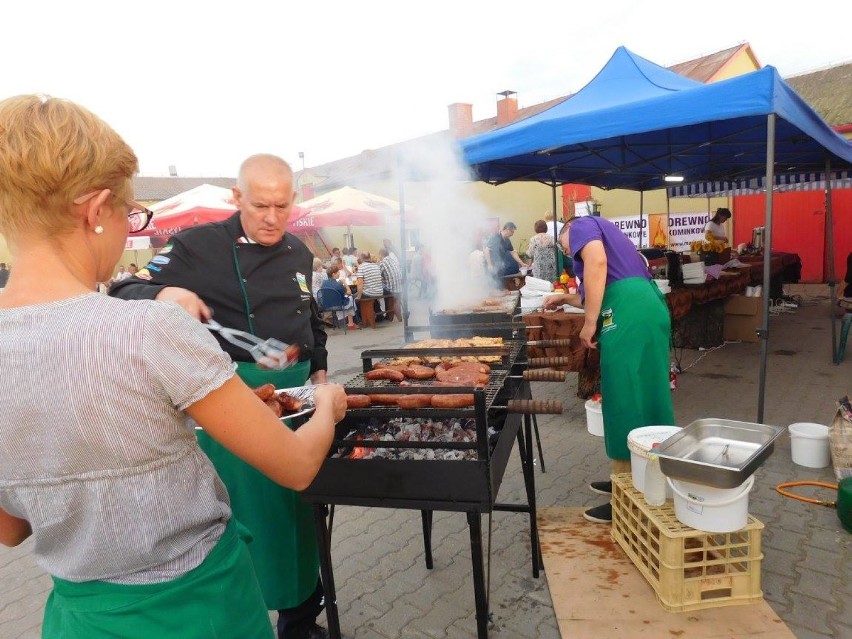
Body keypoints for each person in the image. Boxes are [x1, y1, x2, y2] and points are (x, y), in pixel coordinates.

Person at [0, 95, 347, 639]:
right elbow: (298, 467)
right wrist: (326, 403)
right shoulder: (149, 328)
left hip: (80, 618)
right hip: (200, 610)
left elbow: (11, 527)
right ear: (96, 211)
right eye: (130, 213)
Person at [111, 154, 337, 639]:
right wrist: (161, 296)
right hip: (236, 398)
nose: (273, 217)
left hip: (298, 397)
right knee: (250, 515)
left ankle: (301, 621)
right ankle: (247, 618)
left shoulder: (299, 251)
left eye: (282, 205)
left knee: (300, 512)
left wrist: (318, 366)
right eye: (261, 206)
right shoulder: (196, 246)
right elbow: (124, 290)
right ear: (236, 198)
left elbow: (309, 314)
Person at [544, 216, 674, 523]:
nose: (569, 252)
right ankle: (633, 477)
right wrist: (565, 297)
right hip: (640, 308)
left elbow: (597, 265)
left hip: (629, 313)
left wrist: (589, 324)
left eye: (566, 247)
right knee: (643, 395)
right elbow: (596, 290)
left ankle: (627, 500)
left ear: (567, 231)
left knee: (624, 399)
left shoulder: (581, 225)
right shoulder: (609, 237)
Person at [318, 264, 359, 330]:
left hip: (327, 305)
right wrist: (344, 283)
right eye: (338, 272)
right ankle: (352, 323)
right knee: (351, 297)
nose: (339, 273)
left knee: (347, 299)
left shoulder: (324, 283)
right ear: (334, 274)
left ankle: (350, 323)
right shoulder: (337, 285)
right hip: (339, 305)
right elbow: (349, 292)